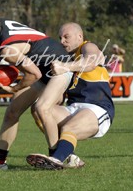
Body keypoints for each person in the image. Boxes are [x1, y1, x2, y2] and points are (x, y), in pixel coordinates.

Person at [0, 10, 71, 171]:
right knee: (12, 112)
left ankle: (57, 158)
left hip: (61, 67)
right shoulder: (0, 25)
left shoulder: (8, 50)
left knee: (42, 108)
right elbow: (8, 51)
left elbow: (34, 74)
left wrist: (14, 88)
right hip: (46, 68)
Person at [25, 22, 114, 170]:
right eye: (60, 38)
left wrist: (65, 67)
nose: (62, 41)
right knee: (39, 109)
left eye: (66, 37)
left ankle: (56, 158)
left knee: (69, 128)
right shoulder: (65, 58)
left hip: (98, 108)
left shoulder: (88, 47)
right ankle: (65, 156)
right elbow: (59, 99)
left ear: (80, 36)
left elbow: (91, 62)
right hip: (73, 108)